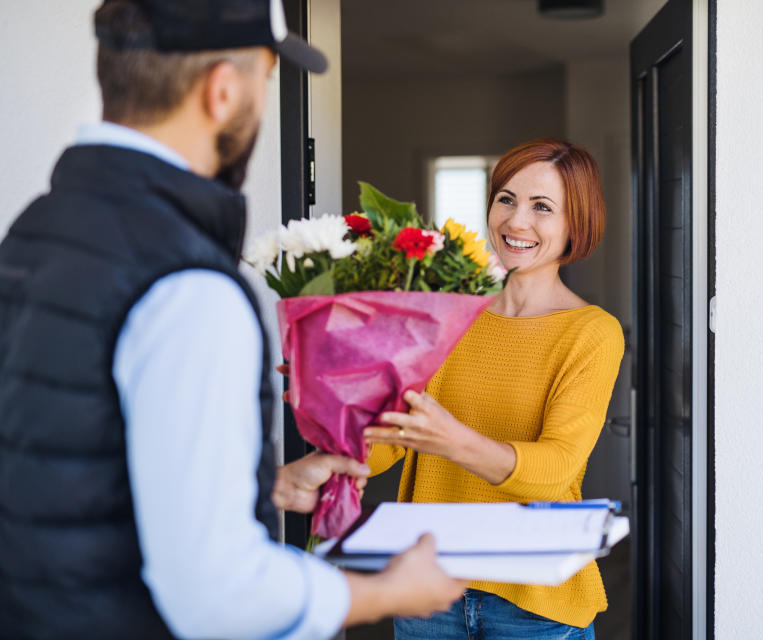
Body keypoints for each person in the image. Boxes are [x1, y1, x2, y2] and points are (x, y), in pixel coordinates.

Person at [0, 1, 463, 638]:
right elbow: (218, 594)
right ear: (222, 90)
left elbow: (66, 463)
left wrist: (262, 488)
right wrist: (387, 592)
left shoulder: (35, 232)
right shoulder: (187, 285)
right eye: (266, 80)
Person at [364, 137, 625, 639]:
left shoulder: (591, 332)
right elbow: (393, 442)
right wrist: (337, 414)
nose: (516, 221)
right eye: (506, 199)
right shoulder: (449, 313)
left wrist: (451, 440)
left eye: (542, 207)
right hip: (428, 589)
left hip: (534, 602)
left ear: (577, 225)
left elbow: (554, 471)